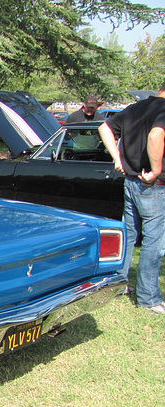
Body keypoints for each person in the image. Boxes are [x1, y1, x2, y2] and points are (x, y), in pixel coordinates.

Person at [98, 80, 165, 314]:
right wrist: (156, 170)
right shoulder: (163, 110)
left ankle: (119, 283)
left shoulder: (136, 107)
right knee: (154, 243)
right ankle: (148, 297)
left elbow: (104, 128)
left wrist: (118, 158)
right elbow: (156, 136)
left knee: (128, 234)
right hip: (153, 185)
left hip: (131, 182)